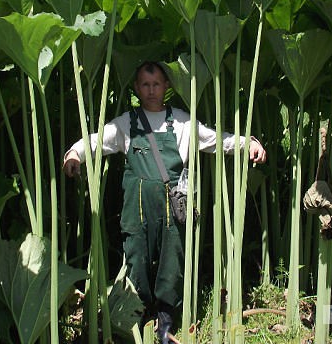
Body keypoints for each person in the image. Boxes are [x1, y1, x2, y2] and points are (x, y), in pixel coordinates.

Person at [63, 61, 266, 343]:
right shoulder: (126, 123)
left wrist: (249, 143)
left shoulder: (182, 121)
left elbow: (215, 140)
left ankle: (166, 326)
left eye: (156, 84)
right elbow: (96, 141)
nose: (151, 90)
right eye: (145, 84)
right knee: (136, 260)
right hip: (137, 206)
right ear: (136, 88)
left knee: (173, 262)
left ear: (166, 86)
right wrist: (74, 154)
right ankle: (138, 322)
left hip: (173, 204)